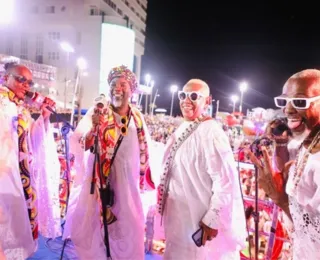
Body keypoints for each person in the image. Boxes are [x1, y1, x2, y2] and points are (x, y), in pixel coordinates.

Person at [64, 65, 155, 260]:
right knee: (97, 232)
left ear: (131, 90)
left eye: (123, 84)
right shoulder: (98, 111)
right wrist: (94, 126)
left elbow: (146, 152)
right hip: (99, 183)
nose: (117, 88)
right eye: (114, 84)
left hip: (128, 185)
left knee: (128, 228)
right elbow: (82, 143)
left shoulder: (137, 118)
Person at [157, 79, 247, 260]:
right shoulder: (183, 127)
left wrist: (212, 219)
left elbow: (225, 182)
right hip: (177, 220)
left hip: (198, 222)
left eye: (194, 96)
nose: (186, 101)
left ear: (207, 101)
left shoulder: (212, 132)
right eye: (183, 95)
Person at [249, 69, 320, 259]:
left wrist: (281, 200)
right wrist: (280, 142)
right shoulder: (309, 141)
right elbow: (283, 171)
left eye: (299, 102)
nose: (287, 110)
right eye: (284, 101)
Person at [0, 63, 61, 259]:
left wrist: (43, 118)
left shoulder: (20, 109)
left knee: (15, 224)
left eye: (29, 82)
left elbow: (28, 140)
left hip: (18, 176)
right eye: (21, 79)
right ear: (6, 78)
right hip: (4, 175)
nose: (26, 85)